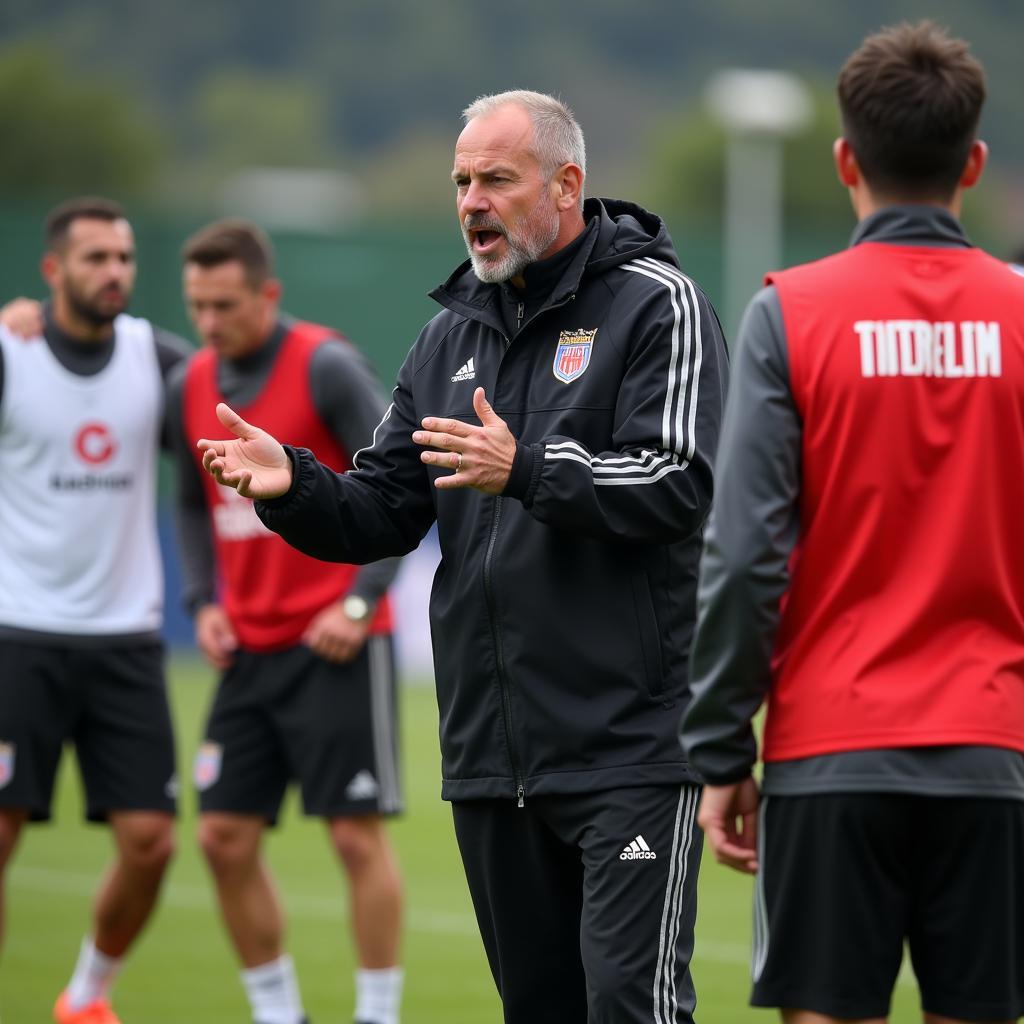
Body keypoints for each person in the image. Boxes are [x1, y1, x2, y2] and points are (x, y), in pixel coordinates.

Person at [196, 90, 728, 1024]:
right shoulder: (452, 333)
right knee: (541, 1009)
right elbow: (384, 511)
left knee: (629, 1007)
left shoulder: (658, 305)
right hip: (492, 754)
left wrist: (526, 469)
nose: (472, 201)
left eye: (496, 179)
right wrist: (294, 485)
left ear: (566, 185)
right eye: (461, 182)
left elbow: (679, 482)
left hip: (628, 749)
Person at [682, 21, 1024, 1024]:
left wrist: (717, 750)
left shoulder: (789, 314)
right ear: (973, 163)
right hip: (995, 748)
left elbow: (743, 557)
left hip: (829, 749)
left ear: (843, 160)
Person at [169, 219, 404, 1024]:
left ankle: (376, 1015)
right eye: (196, 305)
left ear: (267, 294)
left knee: (353, 840)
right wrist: (203, 604)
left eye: (225, 304)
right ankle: (280, 1016)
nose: (208, 322)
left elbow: (396, 487)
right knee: (222, 838)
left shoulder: (327, 365)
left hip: (334, 641)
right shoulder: (190, 381)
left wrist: (359, 600)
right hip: (248, 649)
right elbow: (190, 507)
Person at [0, 197, 191, 1024]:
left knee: (151, 842)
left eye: (123, 257)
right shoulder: (10, 355)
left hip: (125, 639)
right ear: (53, 271)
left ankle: (86, 996)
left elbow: (236, 383)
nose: (114, 272)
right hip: (17, 634)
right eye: (95, 258)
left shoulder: (157, 357)